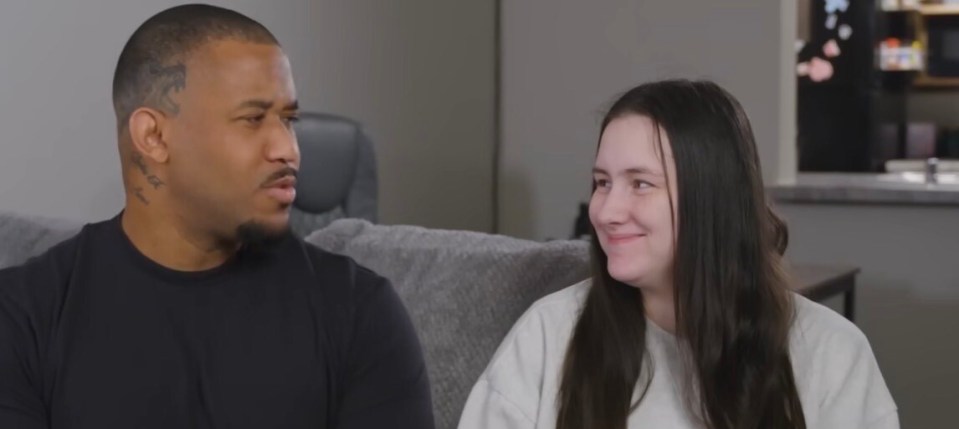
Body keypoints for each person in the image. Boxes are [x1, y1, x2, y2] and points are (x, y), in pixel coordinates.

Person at [0, 4, 433, 428]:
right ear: (153, 136)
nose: (288, 149)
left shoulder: (359, 313)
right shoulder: (23, 318)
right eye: (252, 118)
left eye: (289, 119)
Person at [457, 79, 898, 429]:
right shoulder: (548, 336)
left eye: (641, 183)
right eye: (602, 182)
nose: (606, 211)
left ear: (713, 200)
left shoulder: (830, 356)